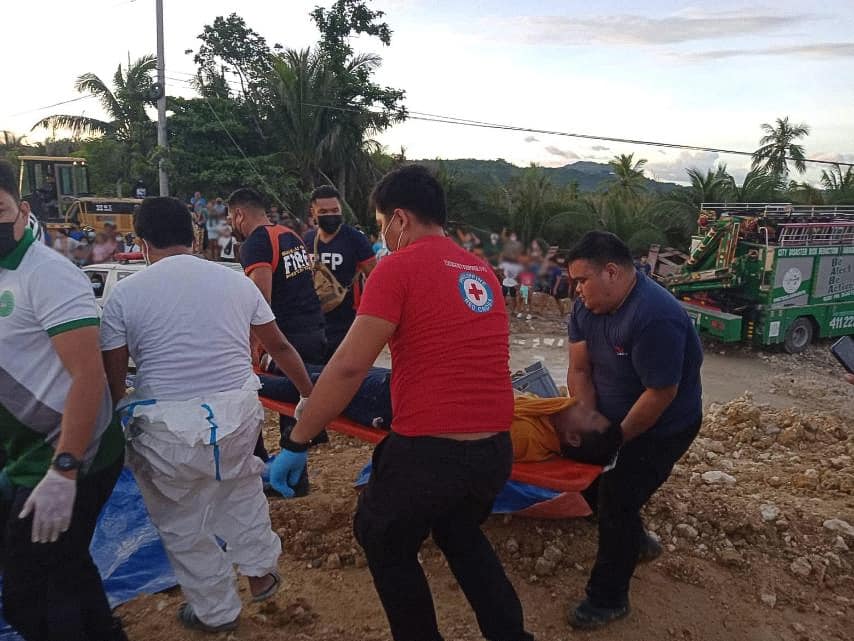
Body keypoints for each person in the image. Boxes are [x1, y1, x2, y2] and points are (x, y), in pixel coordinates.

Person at [272, 165, 534, 641]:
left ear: (398, 219)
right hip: (494, 449)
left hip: (431, 452)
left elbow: (350, 366)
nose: (383, 237)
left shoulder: (398, 267)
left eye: (381, 226)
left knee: (382, 536)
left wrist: (298, 437)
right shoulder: (482, 272)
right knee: (460, 534)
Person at [100, 197, 314, 633]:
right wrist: (312, 397)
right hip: (237, 416)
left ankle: (216, 612)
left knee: (182, 523)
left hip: (166, 431)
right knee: (240, 489)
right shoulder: (236, 284)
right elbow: (281, 348)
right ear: (195, 235)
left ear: (142, 243)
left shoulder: (123, 296)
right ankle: (259, 571)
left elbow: (114, 379)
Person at [0, 160, 128, 641]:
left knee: (30, 598)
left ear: (22, 208)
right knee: (65, 568)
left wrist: (65, 469)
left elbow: (87, 374)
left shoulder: (47, 274)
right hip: (24, 453)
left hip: (67, 454)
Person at [565, 231, 703, 629]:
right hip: (613, 415)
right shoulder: (585, 309)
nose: (577, 290)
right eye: (574, 282)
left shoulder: (654, 315)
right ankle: (635, 542)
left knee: (618, 499)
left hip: (664, 426)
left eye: (582, 280)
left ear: (611, 272)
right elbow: (579, 368)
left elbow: (661, 393)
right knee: (586, 476)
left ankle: (608, 599)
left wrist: (615, 441)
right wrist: (590, 426)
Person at [228, 188, 327, 453]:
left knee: (285, 404)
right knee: (297, 406)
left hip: (288, 338)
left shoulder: (256, 243)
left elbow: (260, 301)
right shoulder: (289, 235)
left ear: (239, 215)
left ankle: (293, 475)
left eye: (229, 218)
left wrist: (252, 346)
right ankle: (299, 462)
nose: (230, 225)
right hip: (313, 329)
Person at [303, 185, 376, 361]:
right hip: (313, 324)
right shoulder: (307, 239)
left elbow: (375, 277)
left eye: (335, 210)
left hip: (347, 324)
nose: (330, 215)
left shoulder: (355, 239)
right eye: (324, 211)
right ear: (313, 212)